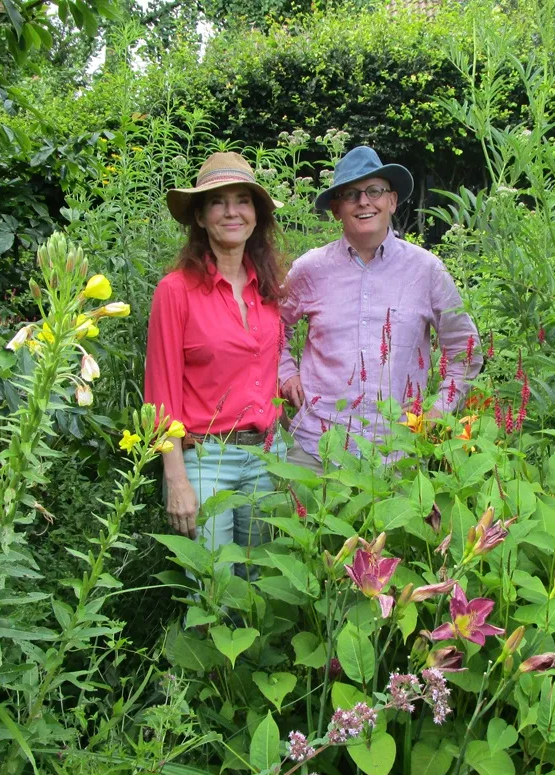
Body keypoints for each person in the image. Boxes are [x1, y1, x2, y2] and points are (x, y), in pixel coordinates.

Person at [278, 146, 482, 469]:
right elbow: (270, 327)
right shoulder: (310, 270)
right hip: (316, 451)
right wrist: (285, 372)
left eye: (375, 191)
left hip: (396, 455)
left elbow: (465, 348)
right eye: (351, 194)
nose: (364, 202)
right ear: (336, 209)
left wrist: (440, 409)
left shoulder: (426, 270)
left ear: (392, 201)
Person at [145, 152, 288, 555]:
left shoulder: (269, 290)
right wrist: (176, 479)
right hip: (206, 460)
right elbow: (160, 394)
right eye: (217, 202)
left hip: (268, 456)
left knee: (262, 581)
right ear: (200, 216)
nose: (231, 212)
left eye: (243, 200)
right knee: (213, 583)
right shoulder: (176, 291)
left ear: (256, 215)